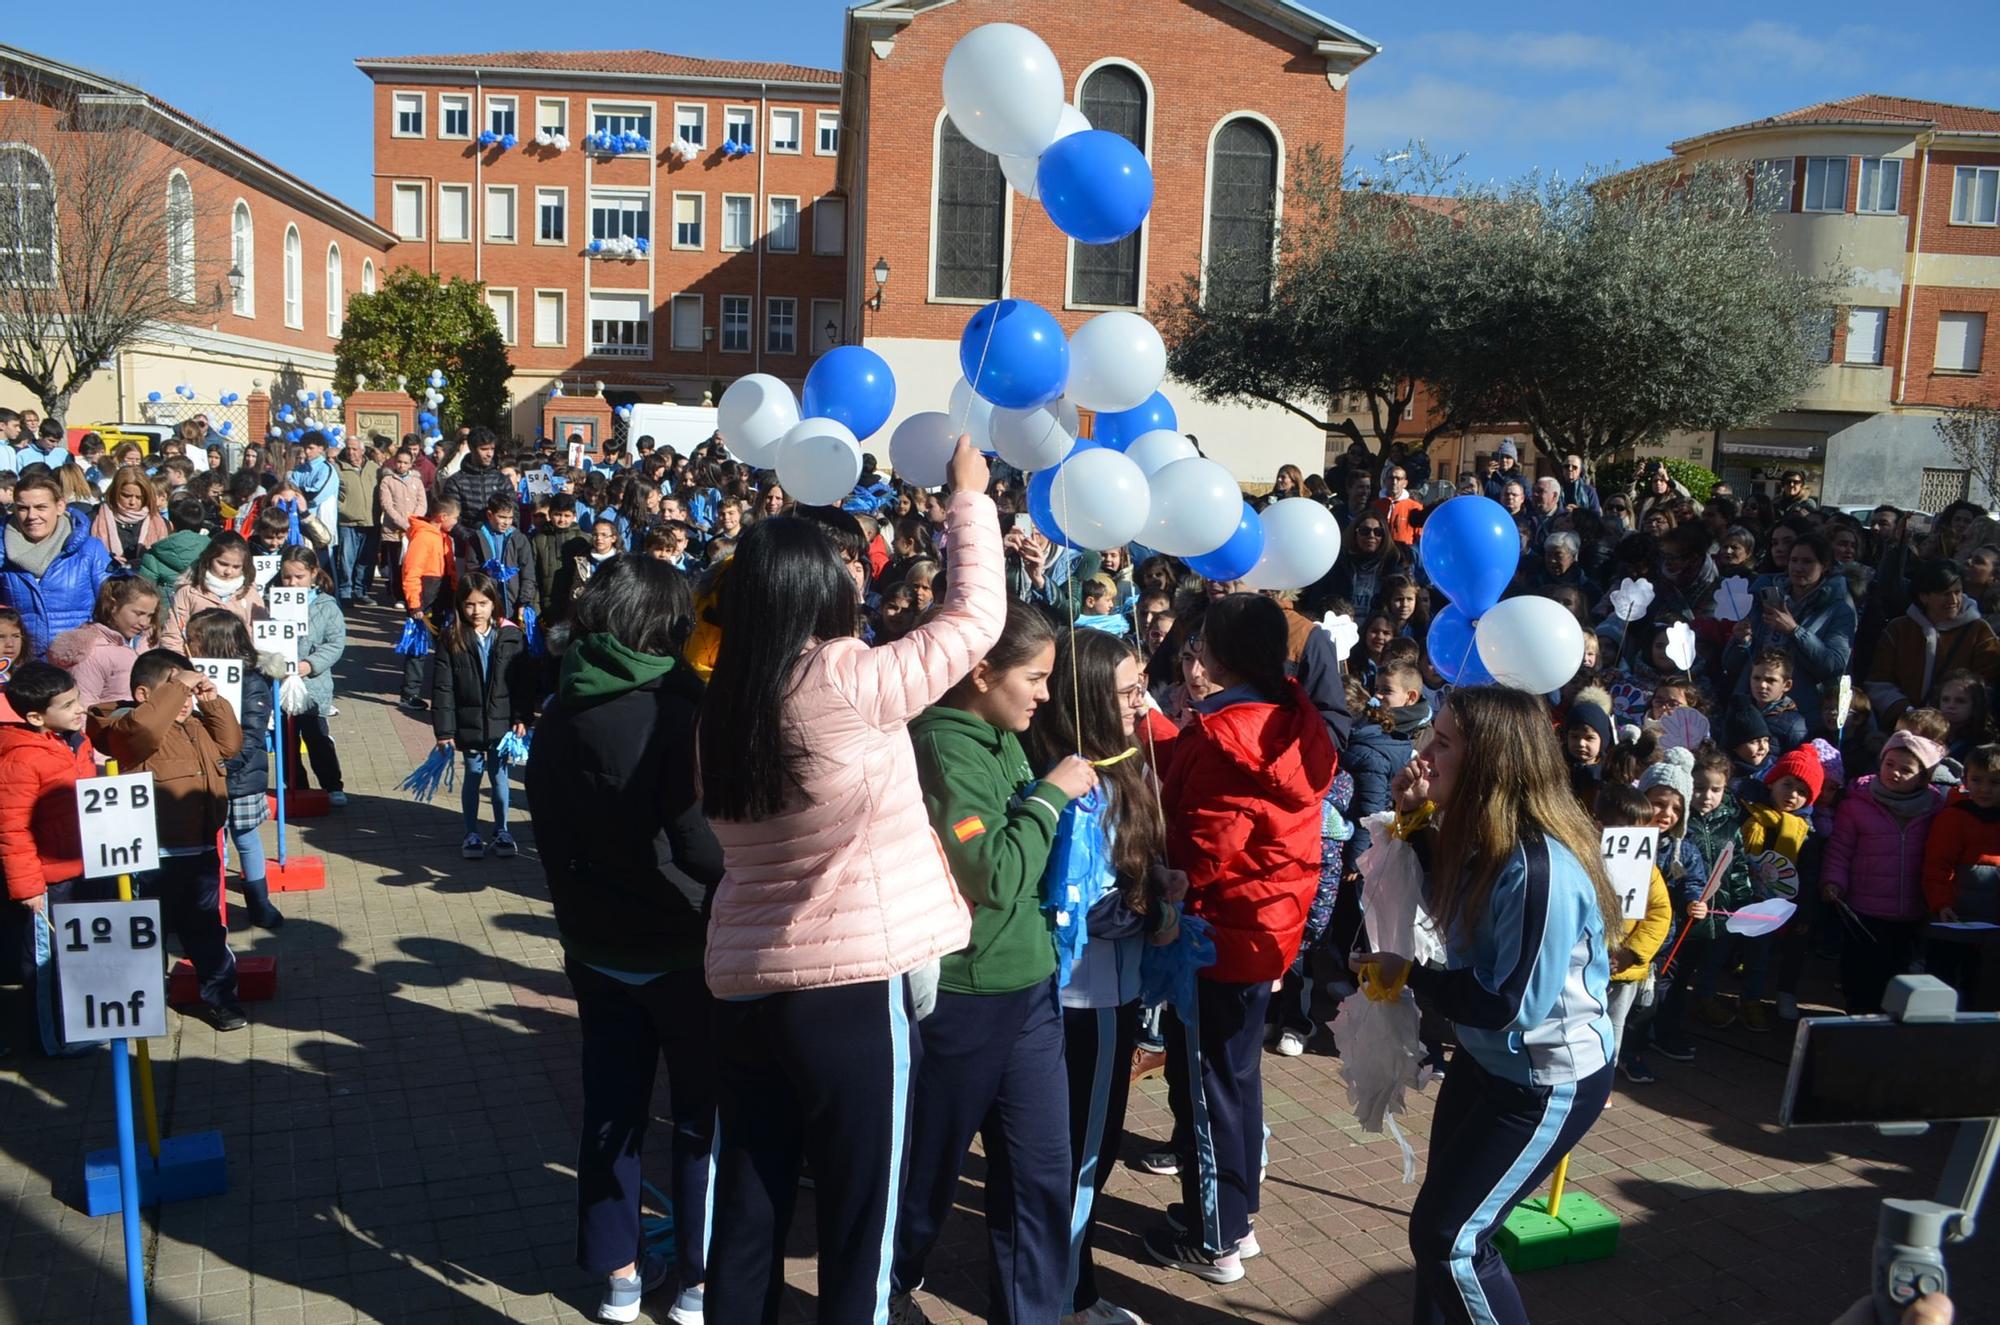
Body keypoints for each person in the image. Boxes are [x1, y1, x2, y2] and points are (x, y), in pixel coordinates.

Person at [698, 437, 998, 1325]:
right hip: (850, 990)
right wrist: (968, 500)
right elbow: (976, 619)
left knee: (749, 1205)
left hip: (749, 984)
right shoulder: (847, 677)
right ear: (817, 595)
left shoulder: (723, 704)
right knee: (859, 1225)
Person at [1356, 685, 1619, 1325]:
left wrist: (1409, 975)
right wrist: (1414, 818)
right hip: (1487, 1065)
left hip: (1543, 1082)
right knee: (1442, 1223)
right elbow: (1449, 899)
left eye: (1443, 743)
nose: (1425, 752)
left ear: (1490, 761)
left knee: (1452, 1241)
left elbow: (1508, 1004)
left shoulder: (1539, 868)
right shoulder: (1483, 833)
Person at [889, 602, 1098, 1322]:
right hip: (963, 996)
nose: (1045, 694)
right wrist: (1048, 795)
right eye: (1034, 677)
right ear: (981, 673)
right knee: (925, 1179)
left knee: (1042, 1177)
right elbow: (996, 871)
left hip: (1030, 988)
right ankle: (890, 1279)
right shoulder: (942, 747)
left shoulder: (1004, 732)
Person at [526, 557, 719, 1325]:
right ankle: (702, 1282)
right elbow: (701, 847)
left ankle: (619, 1276)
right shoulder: (678, 710)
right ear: (666, 624)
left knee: (613, 1110)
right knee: (704, 1114)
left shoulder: (560, 701)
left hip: (595, 943)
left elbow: (543, 825)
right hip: (681, 947)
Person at [1144, 594, 1335, 1284]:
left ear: (1223, 657)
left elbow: (1201, 844)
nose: (1190, 658)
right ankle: (1235, 1214)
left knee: (1203, 1085)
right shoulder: (1280, 717)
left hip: (1219, 933)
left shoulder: (1233, 736)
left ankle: (1216, 1236)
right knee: (1233, 1078)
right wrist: (1154, 726)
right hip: (1261, 929)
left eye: (1198, 647)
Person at [88, 648, 247, 1030]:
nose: (185, 700)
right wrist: (178, 687)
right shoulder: (124, 726)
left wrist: (211, 700)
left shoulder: (193, 723)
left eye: (188, 693)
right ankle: (146, 1001)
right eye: (176, 691)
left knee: (206, 930)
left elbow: (230, 744)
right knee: (148, 934)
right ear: (145, 695)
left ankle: (222, 1000)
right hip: (152, 856)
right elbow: (137, 735)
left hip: (201, 847)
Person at [0, 661, 103, 1054]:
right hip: (47, 881)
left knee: (77, 956)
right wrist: (28, 887)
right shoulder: (22, 759)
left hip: (84, 868)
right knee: (46, 964)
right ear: (35, 716)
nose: (80, 709)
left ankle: (78, 1023)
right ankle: (51, 1038)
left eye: (78, 699)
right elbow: (11, 829)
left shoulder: (76, 741)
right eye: (68, 704)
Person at [1823, 731, 1948, 1014]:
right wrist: (1833, 881)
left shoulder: (1934, 809)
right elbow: (1840, 849)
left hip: (1908, 911)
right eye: (1889, 764)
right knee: (1859, 974)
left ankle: (1884, 1029)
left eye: (1906, 770)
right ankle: (1856, 1019)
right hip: (1863, 907)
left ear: (1923, 777)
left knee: (1896, 974)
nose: (1894, 773)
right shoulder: (1858, 804)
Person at [180, 608, 286, 930]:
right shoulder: (187, 677)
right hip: (202, 776)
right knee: (208, 842)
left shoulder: (252, 681)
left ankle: (259, 900)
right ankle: (207, 904)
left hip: (239, 777)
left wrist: (224, 765)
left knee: (246, 837)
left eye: (193, 640)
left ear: (215, 644)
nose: (187, 645)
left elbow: (252, 735)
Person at [431, 570, 532, 860]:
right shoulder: (452, 638)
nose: (476, 611)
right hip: (468, 722)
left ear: (494, 604)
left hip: (501, 723)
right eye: (469, 605)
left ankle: (502, 830)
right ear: (460, 606)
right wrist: (445, 732)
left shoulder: (512, 636)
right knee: (474, 774)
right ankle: (471, 832)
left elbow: (522, 683)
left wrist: (521, 716)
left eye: (483, 603)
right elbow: (442, 688)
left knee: (500, 776)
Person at [1592, 782, 1674, 1068]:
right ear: (1599, 827)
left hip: (1624, 969)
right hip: (1583, 965)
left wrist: (1631, 953)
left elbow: (1660, 912)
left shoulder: (1647, 871)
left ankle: (1603, 1078)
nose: (1632, 839)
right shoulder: (1582, 860)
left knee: (1613, 1026)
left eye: (1640, 831)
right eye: (1624, 830)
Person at [1867, 560, 2000, 728]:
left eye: (1957, 592)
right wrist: (1908, 713)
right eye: (1945, 594)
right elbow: (1879, 681)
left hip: (1957, 732)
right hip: (1906, 729)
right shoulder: (1898, 630)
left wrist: (1954, 715)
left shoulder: (1979, 631)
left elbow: (1985, 685)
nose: (1953, 600)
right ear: (1924, 597)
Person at [0, 472, 113, 659]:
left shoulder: (89, 550)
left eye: (41, 507)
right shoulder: (3, 553)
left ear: (60, 506)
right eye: (22, 508)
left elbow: (110, 607)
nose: (31, 516)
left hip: (80, 662)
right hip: (22, 668)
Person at [275, 548, 348, 806]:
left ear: (313, 574)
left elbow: (335, 643)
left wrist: (309, 664)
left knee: (317, 737)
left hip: (312, 685)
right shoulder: (271, 601)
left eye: (299, 577)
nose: (293, 583)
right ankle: (296, 786)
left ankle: (332, 785)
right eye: (287, 577)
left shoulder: (326, 606)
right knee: (285, 742)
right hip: (280, 683)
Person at [47, 576, 161, 708]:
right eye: (138, 613)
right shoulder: (94, 651)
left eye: (150, 615)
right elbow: (84, 707)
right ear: (113, 606)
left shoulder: (143, 644)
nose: (144, 623)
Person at [398, 498, 459, 712]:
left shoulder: (445, 538)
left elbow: (450, 570)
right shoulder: (424, 537)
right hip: (425, 600)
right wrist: (414, 604)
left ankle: (441, 689)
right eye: (454, 518)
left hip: (442, 598)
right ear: (443, 517)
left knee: (445, 646)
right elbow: (411, 571)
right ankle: (409, 693)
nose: (456, 522)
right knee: (418, 648)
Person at [161, 532, 264, 654]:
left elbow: (263, 635)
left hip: (240, 666)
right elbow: (173, 635)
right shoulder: (188, 592)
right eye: (222, 564)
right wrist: (184, 666)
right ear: (209, 559)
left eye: (236, 567)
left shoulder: (250, 594)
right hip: (196, 666)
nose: (228, 571)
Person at [88, 467, 169, 571]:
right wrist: (106, 559)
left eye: (139, 497)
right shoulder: (95, 517)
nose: (132, 502)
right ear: (116, 491)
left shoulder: (159, 523)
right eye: (126, 496)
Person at [333, 434, 381, 605]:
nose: (350, 452)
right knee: (347, 560)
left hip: (371, 522)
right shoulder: (337, 469)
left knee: (367, 560)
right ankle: (345, 592)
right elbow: (333, 495)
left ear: (362, 450)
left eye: (354, 449)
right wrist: (343, 508)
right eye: (348, 448)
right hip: (348, 522)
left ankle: (361, 591)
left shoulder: (374, 468)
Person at [376, 447, 427, 607]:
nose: (402, 465)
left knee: (411, 564)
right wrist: (403, 523)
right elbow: (387, 505)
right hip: (394, 531)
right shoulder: (387, 481)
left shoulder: (416, 481)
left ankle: (411, 594)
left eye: (406, 463)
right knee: (396, 564)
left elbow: (422, 503)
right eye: (399, 462)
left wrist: (413, 521)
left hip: (413, 530)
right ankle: (398, 594)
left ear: (411, 464)